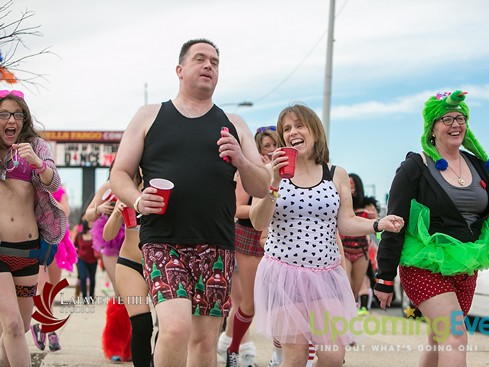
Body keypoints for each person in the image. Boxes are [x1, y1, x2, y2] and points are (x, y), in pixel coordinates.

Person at [109, 38, 270, 367]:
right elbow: (119, 174)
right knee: (175, 329)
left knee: (204, 341)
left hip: (216, 244)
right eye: (200, 59)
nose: (209, 65)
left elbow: (263, 185)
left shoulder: (234, 124)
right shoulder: (150, 115)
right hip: (163, 240)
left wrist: (240, 158)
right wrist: (138, 200)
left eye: (215, 61)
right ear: (180, 70)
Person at [250, 104, 403, 367]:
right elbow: (257, 221)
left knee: (333, 356)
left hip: (326, 275)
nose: (292, 132)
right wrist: (273, 183)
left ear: (315, 131)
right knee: (295, 358)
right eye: (286, 129)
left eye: (299, 125)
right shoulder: (269, 172)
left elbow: (346, 223)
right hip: (284, 275)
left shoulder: (335, 173)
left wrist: (378, 224)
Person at [374, 90, 489, 367]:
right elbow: (394, 223)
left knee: (440, 338)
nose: (455, 124)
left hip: (466, 263)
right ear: (432, 128)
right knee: (455, 334)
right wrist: (385, 277)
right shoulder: (415, 166)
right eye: (446, 118)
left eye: (460, 118)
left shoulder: (478, 165)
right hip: (424, 262)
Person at [0, 90, 66, 366]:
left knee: (20, 327)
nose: (10, 119)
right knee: (13, 325)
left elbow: (53, 184)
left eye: (17, 114)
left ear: (24, 119)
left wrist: (38, 164)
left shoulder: (37, 146)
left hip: (27, 252)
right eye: (3, 114)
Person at [217, 126, 279, 367]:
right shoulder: (249, 172)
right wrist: (261, 207)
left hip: (278, 238)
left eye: (276, 144)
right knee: (249, 303)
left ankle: (280, 355)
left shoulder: (290, 171)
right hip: (248, 237)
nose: (272, 150)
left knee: (279, 302)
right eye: (267, 146)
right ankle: (233, 350)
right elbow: (236, 209)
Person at [104, 170, 153, 367]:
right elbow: (108, 235)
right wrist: (117, 213)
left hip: (163, 264)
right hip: (130, 265)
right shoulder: (127, 190)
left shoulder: (166, 187)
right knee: (142, 326)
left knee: (169, 327)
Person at [85, 167, 129, 362]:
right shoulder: (107, 187)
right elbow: (88, 215)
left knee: (135, 296)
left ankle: (132, 346)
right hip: (110, 240)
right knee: (121, 293)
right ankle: (115, 347)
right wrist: (99, 209)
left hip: (135, 240)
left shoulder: (137, 185)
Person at [31, 184, 77, 352]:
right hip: (38, 242)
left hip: (57, 244)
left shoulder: (59, 191)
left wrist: (48, 199)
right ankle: (50, 330)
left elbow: (65, 211)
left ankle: (42, 328)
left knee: (51, 291)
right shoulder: (31, 189)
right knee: (42, 287)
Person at [339, 173, 373, 316]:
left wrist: (373, 220)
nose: (351, 188)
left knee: (356, 288)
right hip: (344, 248)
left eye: (353, 185)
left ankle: (352, 310)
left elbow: (377, 225)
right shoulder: (340, 202)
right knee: (344, 285)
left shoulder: (368, 205)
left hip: (361, 251)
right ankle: (344, 313)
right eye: (349, 185)